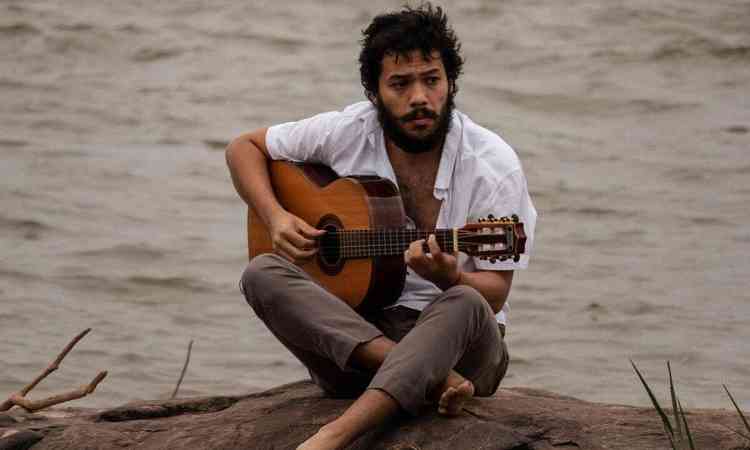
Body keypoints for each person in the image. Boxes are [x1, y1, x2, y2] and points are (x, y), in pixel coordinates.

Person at [225, 3, 536, 449]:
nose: (419, 99)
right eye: (400, 84)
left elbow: (496, 290)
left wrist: (451, 277)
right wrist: (276, 217)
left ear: (451, 82)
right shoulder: (348, 129)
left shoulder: (493, 164)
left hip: (462, 350)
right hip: (356, 341)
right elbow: (243, 148)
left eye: (432, 79)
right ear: (374, 92)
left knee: (467, 300)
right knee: (261, 273)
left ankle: (334, 435)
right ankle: (420, 375)